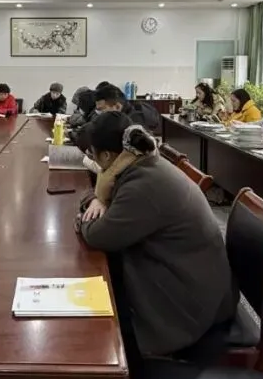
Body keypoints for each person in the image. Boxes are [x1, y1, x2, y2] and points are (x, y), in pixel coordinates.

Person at [78, 112, 236, 358]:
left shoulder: (143, 184)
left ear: (107, 156)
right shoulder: (143, 163)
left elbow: (99, 235)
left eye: (92, 154)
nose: (92, 161)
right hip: (193, 279)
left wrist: (86, 213)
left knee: (98, 328)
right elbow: (107, 204)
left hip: (187, 305)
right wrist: (98, 199)